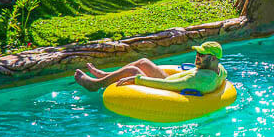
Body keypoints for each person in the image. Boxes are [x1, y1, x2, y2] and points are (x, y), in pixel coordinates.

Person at [74, 41, 228, 94]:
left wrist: (138, 79)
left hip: (170, 90)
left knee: (134, 71)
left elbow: (168, 85)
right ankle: (105, 75)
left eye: (201, 55)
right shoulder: (219, 69)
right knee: (143, 62)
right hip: (174, 80)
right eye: (197, 53)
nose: (197, 57)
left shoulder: (199, 79)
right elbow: (223, 74)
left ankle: (95, 85)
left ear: (213, 58)